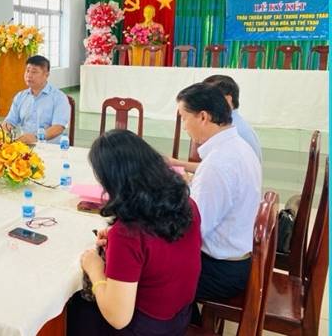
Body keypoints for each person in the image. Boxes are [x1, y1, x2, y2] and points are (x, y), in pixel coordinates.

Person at [67, 129, 202, 335]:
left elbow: (118, 318)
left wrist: (95, 268)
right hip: (180, 317)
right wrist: (117, 247)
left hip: (146, 328)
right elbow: (160, 251)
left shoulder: (128, 233)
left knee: (73, 306)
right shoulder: (187, 204)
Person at [175, 83, 261, 312]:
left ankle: (180, 322)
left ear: (203, 117)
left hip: (220, 271)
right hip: (235, 260)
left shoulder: (218, 164)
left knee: (144, 273)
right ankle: (186, 317)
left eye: (184, 118)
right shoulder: (238, 147)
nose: (184, 127)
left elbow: (192, 230)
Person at [170, 75, 262, 173]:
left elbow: (216, 168)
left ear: (227, 100)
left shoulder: (233, 130)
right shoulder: (230, 127)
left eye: (211, 97)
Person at [3, 55, 70, 144]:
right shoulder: (20, 97)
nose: (29, 75)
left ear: (46, 75)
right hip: (25, 147)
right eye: (27, 71)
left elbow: (58, 127)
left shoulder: (59, 97)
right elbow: (10, 121)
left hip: (51, 147)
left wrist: (36, 138)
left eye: (34, 72)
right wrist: (2, 132)